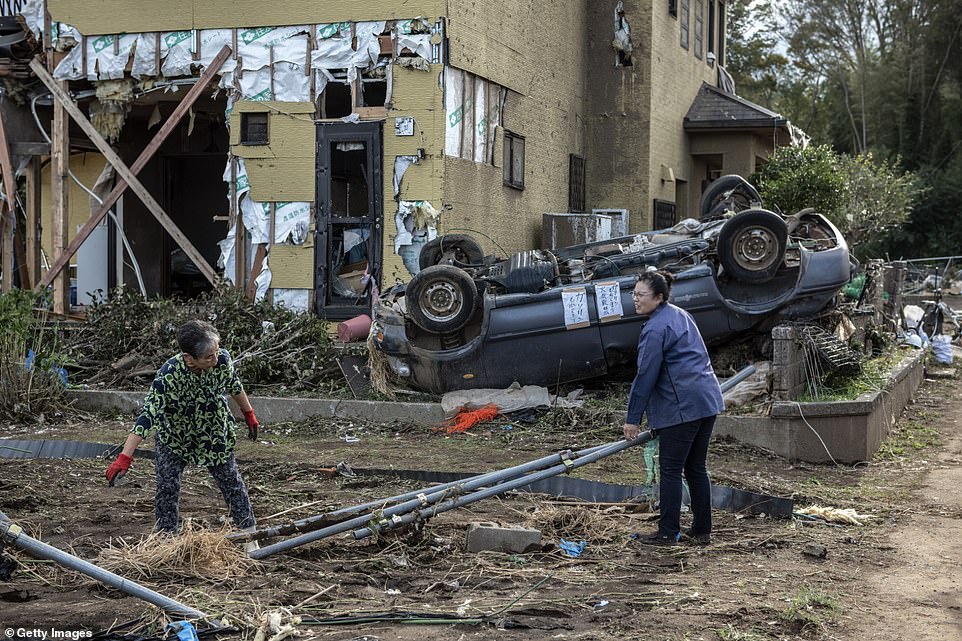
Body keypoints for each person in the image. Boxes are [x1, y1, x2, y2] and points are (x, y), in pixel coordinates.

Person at [105, 319, 260, 537]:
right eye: (208, 357)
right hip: (175, 438)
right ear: (189, 358)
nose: (215, 359)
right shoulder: (168, 375)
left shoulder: (222, 360)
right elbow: (148, 415)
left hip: (214, 435)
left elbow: (234, 385)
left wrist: (249, 414)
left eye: (216, 352)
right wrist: (125, 457)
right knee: (167, 487)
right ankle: (167, 539)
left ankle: (249, 533)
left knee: (232, 483)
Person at [622, 270, 724, 545]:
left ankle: (668, 531)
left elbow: (646, 375)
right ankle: (702, 530)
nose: (635, 299)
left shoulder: (656, 328)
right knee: (695, 468)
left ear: (658, 297)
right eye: (634, 293)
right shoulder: (680, 314)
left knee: (670, 469)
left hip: (684, 406)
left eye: (641, 295)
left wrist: (633, 418)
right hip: (706, 400)